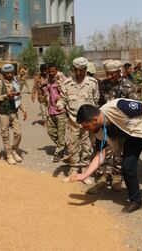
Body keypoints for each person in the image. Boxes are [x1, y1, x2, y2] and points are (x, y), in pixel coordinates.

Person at [87, 59, 138, 195]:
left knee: (119, 152)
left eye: (112, 74)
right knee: (103, 149)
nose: (109, 77)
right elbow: (100, 103)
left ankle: (117, 177)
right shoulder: (104, 85)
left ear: (118, 71)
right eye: (107, 73)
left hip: (122, 126)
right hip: (106, 126)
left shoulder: (129, 85)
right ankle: (103, 177)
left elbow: (136, 106)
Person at [57, 57, 100, 185]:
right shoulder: (67, 83)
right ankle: (73, 171)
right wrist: (60, 104)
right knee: (72, 146)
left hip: (88, 122)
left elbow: (96, 101)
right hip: (72, 120)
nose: (78, 73)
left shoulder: (92, 83)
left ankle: (86, 172)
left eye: (81, 70)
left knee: (87, 146)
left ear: (86, 70)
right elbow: (63, 99)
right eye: (76, 70)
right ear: (73, 70)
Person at [0, 64, 27, 165]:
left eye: (11, 72)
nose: (10, 74)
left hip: (13, 112)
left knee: (18, 133)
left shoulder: (15, 83)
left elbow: (18, 99)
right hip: (3, 113)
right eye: (8, 73)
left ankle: (14, 151)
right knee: (5, 135)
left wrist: (24, 110)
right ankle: (9, 155)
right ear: (4, 74)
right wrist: (6, 96)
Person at [44, 63, 67, 163]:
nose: (51, 73)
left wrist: (61, 97)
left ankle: (59, 153)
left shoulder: (62, 79)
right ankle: (63, 146)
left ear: (57, 69)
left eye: (53, 71)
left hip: (60, 111)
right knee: (51, 131)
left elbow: (67, 92)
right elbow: (47, 93)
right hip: (51, 110)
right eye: (50, 71)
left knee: (61, 133)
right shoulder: (49, 80)